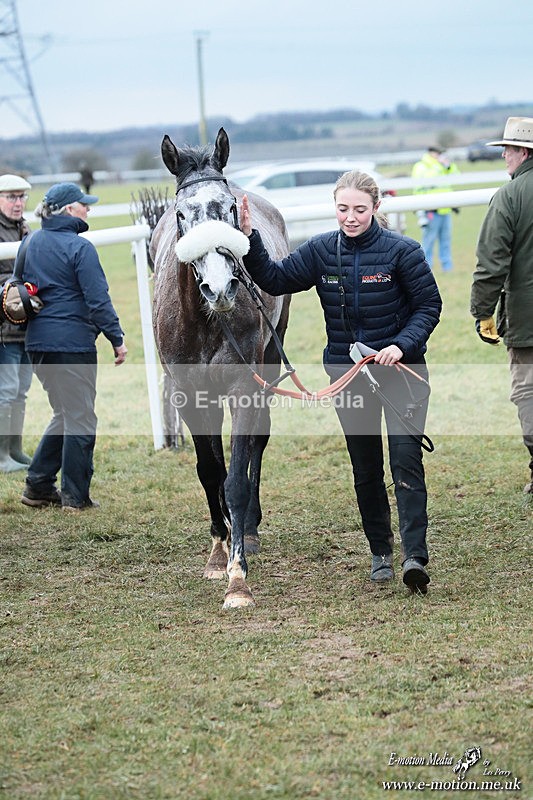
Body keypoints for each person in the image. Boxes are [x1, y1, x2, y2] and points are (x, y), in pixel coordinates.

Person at [240, 170, 442, 593]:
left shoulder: (403, 251)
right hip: (346, 377)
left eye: (360, 209)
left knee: (405, 461)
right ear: (335, 207)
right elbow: (275, 279)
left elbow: (428, 305)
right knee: (365, 466)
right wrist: (250, 240)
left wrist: (401, 346)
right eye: (343, 209)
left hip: (400, 371)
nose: (351, 217)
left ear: (376, 207)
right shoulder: (319, 252)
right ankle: (380, 553)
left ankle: (414, 557)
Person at [20, 182, 127, 511]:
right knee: (80, 417)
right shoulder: (81, 248)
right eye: (83, 204)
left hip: (38, 344)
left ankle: (38, 486)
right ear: (69, 210)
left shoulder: (29, 242)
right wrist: (117, 338)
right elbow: (98, 300)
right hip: (73, 345)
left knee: (65, 413)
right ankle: (75, 498)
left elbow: (18, 288)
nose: (88, 209)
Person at [470, 116, 533, 495]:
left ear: (523, 151)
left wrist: (482, 312)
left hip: (527, 319)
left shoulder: (509, 197)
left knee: (527, 391)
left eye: (507, 149)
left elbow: (492, 264)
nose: (504, 156)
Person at [0, 173, 34, 473]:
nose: (17, 203)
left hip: (25, 324)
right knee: (7, 390)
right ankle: (1, 456)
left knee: (21, 390)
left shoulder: (25, 228)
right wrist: (17, 289)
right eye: (11, 197)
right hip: (4, 326)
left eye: (21, 197)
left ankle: (16, 450)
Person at [411, 146, 459, 272]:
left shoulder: (442, 166)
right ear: (431, 153)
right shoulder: (422, 166)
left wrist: (448, 166)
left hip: (445, 209)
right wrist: (440, 166)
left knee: (446, 240)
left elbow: (456, 176)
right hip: (430, 209)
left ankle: (447, 268)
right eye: (438, 154)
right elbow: (427, 181)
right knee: (429, 241)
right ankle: (427, 268)